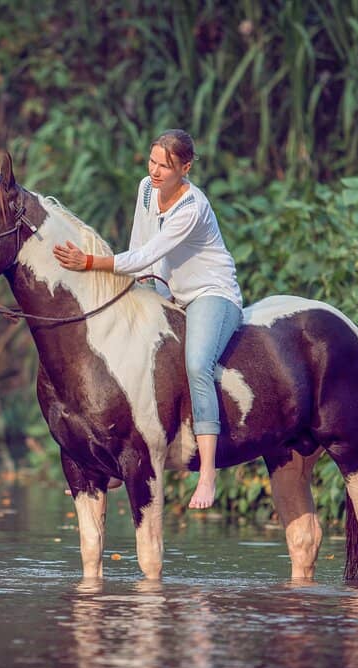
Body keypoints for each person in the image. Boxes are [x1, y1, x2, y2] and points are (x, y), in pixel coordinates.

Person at [53, 129, 243, 509]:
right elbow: (140, 246)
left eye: (165, 166)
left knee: (197, 364)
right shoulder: (145, 188)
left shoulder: (191, 208)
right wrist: (140, 289)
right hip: (166, 289)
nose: (155, 171)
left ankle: (207, 475)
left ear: (185, 168)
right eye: (152, 161)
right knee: (124, 349)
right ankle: (113, 464)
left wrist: (90, 263)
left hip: (210, 294)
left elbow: (148, 252)